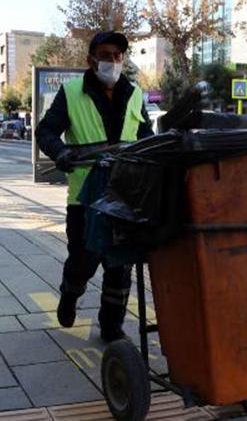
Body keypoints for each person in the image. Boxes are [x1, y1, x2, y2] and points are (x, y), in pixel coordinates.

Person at [36, 31, 154, 342]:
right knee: (82, 260)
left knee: (121, 265)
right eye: (105, 55)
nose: (112, 61)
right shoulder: (72, 92)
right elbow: (46, 131)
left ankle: (111, 327)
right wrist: (60, 153)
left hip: (124, 196)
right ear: (91, 60)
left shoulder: (135, 93)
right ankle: (70, 294)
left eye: (118, 55)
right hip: (84, 197)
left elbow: (145, 136)